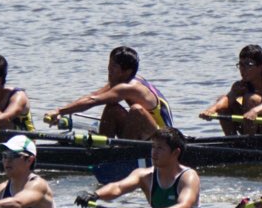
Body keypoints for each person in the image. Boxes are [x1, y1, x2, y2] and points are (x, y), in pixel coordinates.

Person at [80, 127, 203, 208]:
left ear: (175, 153)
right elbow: (118, 187)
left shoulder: (188, 176)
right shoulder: (144, 175)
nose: (154, 152)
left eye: (160, 148)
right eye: (153, 147)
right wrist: (95, 195)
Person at [43, 45, 174, 141]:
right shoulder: (121, 81)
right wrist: (62, 111)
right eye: (109, 66)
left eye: (113, 68)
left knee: (136, 110)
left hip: (161, 139)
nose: (109, 71)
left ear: (126, 72)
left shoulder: (131, 87)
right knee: (112, 108)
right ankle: (104, 149)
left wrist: (59, 111)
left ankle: (123, 153)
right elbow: (93, 96)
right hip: (144, 134)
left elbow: (93, 101)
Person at [199, 44, 262, 136]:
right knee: (223, 102)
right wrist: (211, 110)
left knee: (252, 99)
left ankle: (249, 143)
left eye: (248, 64)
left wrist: (254, 111)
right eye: (241, 65)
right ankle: (232, 141)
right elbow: (227, 100)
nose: (242, 69)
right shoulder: (241, 85)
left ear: (260, 66)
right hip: (259, 129)